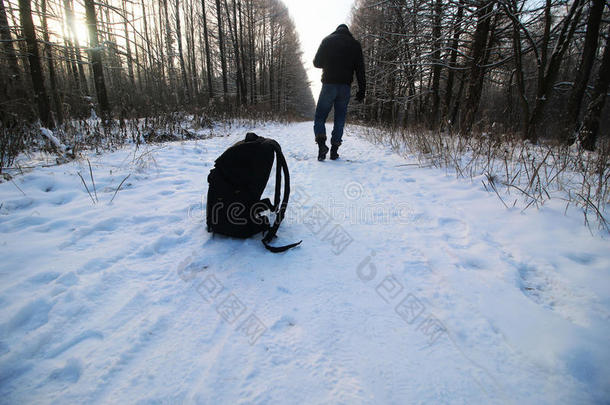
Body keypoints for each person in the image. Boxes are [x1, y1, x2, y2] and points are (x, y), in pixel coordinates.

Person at [313, 24, 366, 161]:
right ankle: (334, 151)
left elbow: (317, 63)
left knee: (320, 117)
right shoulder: (355, 45)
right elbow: (360, 69)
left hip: (329, 85)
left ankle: (321, 147)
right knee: (340, 119)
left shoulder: (327, 40)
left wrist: (330, 62)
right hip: (344, 87)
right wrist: (362, 89)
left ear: (336, 30)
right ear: (348, 32)